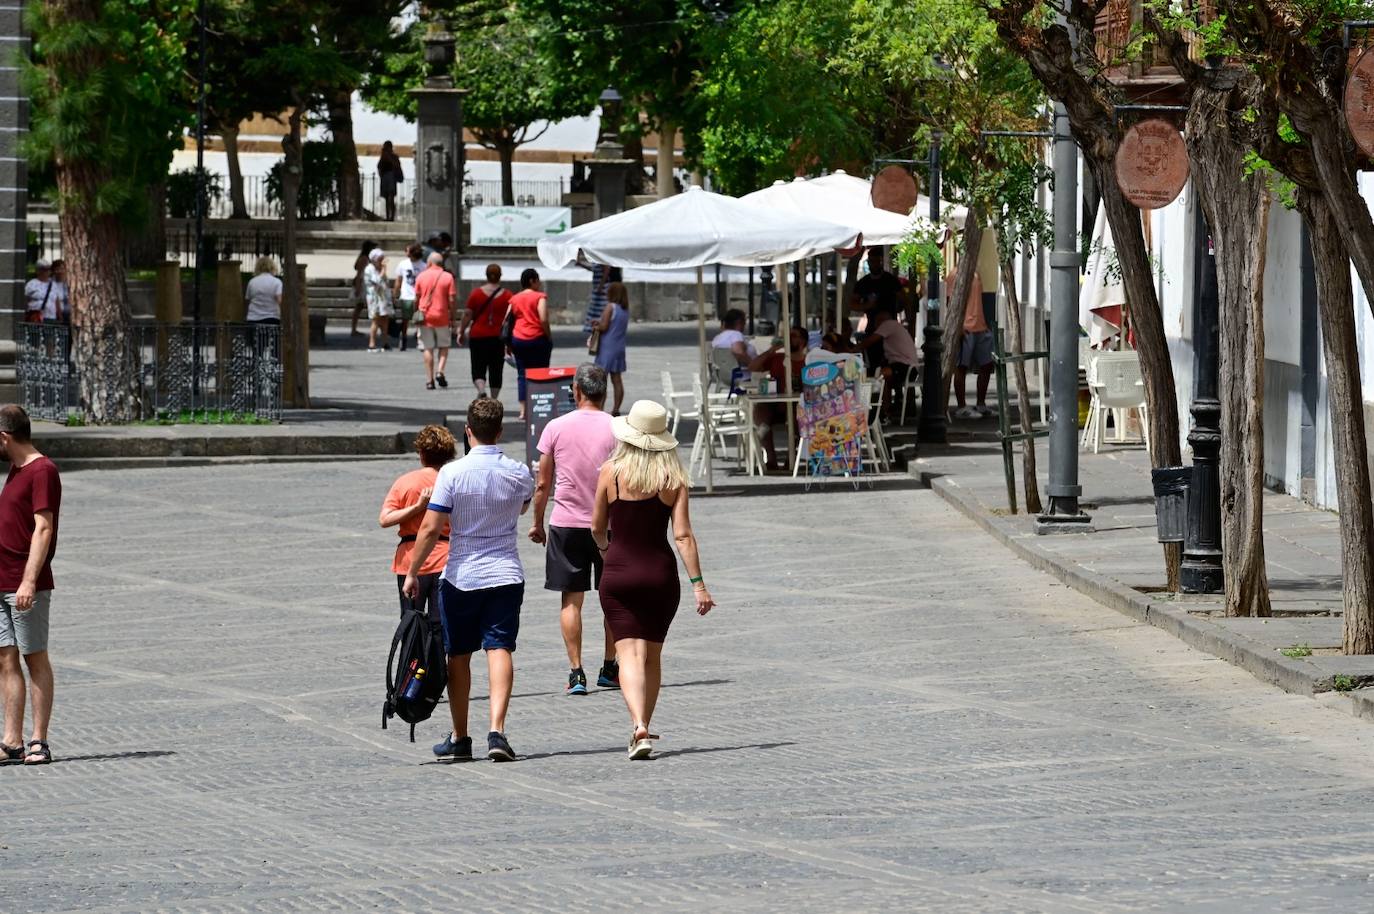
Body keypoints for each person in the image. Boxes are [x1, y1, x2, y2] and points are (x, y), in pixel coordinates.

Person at [405, 398, 535, 763]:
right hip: (505, 572)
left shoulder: (452, 473)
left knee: (458, 655)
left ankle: (461, 736)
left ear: (468, 431)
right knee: (499, 648)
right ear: (500, 431)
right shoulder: (518, 471)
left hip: (462, 574)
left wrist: (413, 572)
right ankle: (497, 730)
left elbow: (431, 528)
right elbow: (524, 504)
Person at [591, 400, 714, 760]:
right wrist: (699, 585)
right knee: (653, 656)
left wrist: (604, 550)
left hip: (619, 572)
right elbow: (683, 536)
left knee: (627, 653)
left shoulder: (610, 472)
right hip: (659, 575)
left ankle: (638, 725)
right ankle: (645, 722)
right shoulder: (673, 477)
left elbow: (597, 527)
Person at [529, 363, 618, 696]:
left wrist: (537, 523)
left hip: (566, 523)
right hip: (608, 526)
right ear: (604, 392)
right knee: (612, 598)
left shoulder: (554, 427)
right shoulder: (618, 428)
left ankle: (576, 672)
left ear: (576, 391)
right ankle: (610, 667)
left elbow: (542, 483)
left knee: (571, 601)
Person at [0, 405, 62, 766]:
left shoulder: (43, 471)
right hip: (1, 580)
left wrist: (28, 580)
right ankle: (11, 740)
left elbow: (43, 529)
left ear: (5, 437)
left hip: (25, 585)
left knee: (34, 657)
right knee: (5, 659)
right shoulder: (16, 469)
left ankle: (39, 740)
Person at [380, 425, 455, 639]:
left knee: (412, 625)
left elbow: (385, 519)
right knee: (441, 628)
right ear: (448, 454)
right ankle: (439, 670)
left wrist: (416, 508)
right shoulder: (452, 480)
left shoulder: (406, 482)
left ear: (421, 454)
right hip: (446, 558)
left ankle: (413, 671)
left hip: (410, 558)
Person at [748, 325, 808, 470]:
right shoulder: (777, 358)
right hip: (775, 404)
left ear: (803, 341)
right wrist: (771, 351)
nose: (790, 339)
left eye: (794, 336)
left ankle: (791, 458)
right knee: (761, 413)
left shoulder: (808, 362)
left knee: (797, 418)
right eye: (788, 335)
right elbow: (753, 367)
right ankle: (771, 459)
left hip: (796, 405)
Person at [458, 264, 513, 402]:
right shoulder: (507, 295)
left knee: (478, 366)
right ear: (500, 276)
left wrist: (461, 331)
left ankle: (481, 390)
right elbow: (511, 317)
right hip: (498, 337)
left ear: (486, 275)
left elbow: (467, 314)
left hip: (478, 336)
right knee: (496, 368)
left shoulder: (476, 293)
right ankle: (494, 398)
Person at [855, 306, 920, 420]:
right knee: (883, 376)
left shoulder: (888, 324)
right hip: (908, 366)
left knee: (880, 376)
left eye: (875, 321)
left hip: (905, 366)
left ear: (880, 320)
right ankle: (886, 409)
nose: (874, 325)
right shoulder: (895, 327)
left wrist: (852, 350)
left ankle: (883, 411)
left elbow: (870, 341)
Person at [508, 268, 553, 421]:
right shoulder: (540, 297)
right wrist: (548, 335)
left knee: (522, 374)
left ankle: (523, 411)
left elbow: (507, 320)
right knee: (540, 373)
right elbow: (543, 319)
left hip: (519, 339)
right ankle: (540, 406)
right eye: (538, 279)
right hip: (537, 339)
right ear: (532, 281)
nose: (539, 282)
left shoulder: (514, 298)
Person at [951, 271, 993, 419]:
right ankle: (961, 406)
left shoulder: (977, 273)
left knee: (987, 365)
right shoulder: (955, 274)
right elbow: (951, 301)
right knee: (961, 367)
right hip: (966, 328)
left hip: (981, 327)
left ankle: (981, 404)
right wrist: (958, 326)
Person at [413, 251, 456, 389]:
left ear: (429, 262)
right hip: (442, 316)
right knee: (444, 346)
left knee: (427, 347)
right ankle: (440, 371)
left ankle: (429, 380)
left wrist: (416, 312)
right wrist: (452, 317)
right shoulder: (448, 277)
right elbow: (452, 299)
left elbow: (417, 298)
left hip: (425, 316)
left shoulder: (421, 276)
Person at [594, 282, 630, 415]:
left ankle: (600, 408)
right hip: (619, 347)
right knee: (617, 380)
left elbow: (604, 327)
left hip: (607, 347)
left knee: (601, 379)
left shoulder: (610, 307)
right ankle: (616, 409)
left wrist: (596, 326)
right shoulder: (625, 309)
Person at [392, 243, 424, 353]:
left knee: (417, 319)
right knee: (408, 319)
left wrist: (395, 293)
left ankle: (418, 339)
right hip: (407, 294)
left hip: (416, 295)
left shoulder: (423, 266)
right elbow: (399, 280)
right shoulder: (403, 264)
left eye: (407, 251)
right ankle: (405, 338)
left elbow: (398, 280)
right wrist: (395, 293)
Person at [364, 248, 394, 353]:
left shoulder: (380, 268)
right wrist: (383, 271)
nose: (382, 261)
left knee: (385, 319)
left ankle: (385, 342)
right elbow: (375, 281)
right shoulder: (369, 269)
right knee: (376, 320)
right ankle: (372, 343)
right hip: (374, 298)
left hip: (383, 297)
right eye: (380, 259)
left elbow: (386, 282)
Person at [245, 256, 283, 324]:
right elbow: (279, 300)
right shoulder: (276, 282)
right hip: (272, 318)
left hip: (253, 318)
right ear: (272, 267)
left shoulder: (252, 282)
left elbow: (248, 300)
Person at [351, 240, 377, 338]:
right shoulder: (364, 259)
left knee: (360, 307)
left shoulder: (365, 258)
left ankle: (354, 329)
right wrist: (358, 288)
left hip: (363, 284)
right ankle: (354, 329)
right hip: (362, 285)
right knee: (360, 307)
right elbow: (359, 274)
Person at [377, 141, 404, 222]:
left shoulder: (393, 157)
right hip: (386, 178)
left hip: (391, 177)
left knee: (390, 198)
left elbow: (396, 165)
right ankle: (389, 216)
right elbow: (379, 166)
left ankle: (391, 216)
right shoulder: (384, 157)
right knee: (387, 198)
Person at [23, 261, 54, 325]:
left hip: (51, 317)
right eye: (44, 269)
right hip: (36, 318)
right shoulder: (31, 284)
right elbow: (25, 300)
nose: (47, 272)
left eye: (49, 269)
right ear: (38, 271)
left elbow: (56, 301)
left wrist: (60, 316)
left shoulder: (53, 284)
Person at [49, 260, 70, 324]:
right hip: (56, 315)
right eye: (57, 269)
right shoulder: (50, 283)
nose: (60, 271)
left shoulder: (71, 282)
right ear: (53, 271)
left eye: (62, 269)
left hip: (70, 314)